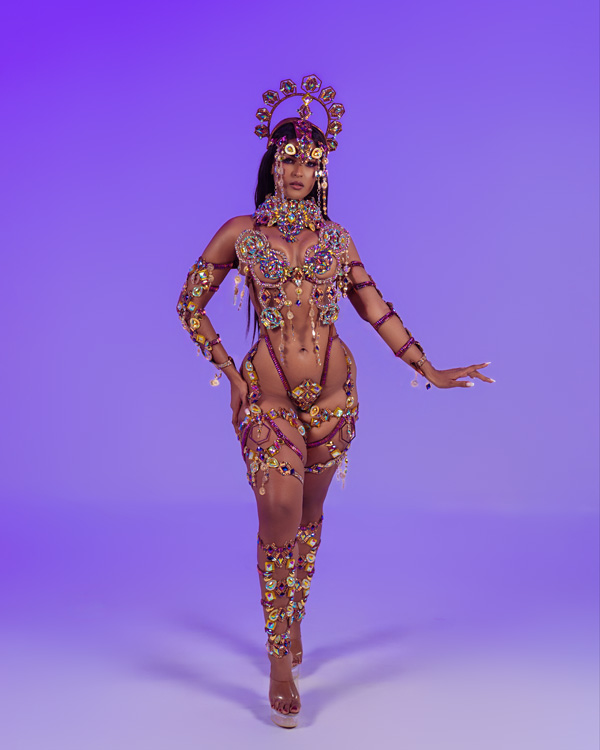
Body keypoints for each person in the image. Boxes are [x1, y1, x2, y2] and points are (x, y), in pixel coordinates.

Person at [176, 75, 494, 729]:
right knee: (279, 513)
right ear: (272, 163)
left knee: (309, 516)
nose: (298, 170)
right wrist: (229, 374)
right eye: (288, 158)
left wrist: (428, 368)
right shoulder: (241, 233)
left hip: (334, 395)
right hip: (267, 394)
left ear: (321, 170)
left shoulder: (338, 239)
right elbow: (189, 304)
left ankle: (295, 615)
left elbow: (376, 311)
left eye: (310, 161)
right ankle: (279, 662)